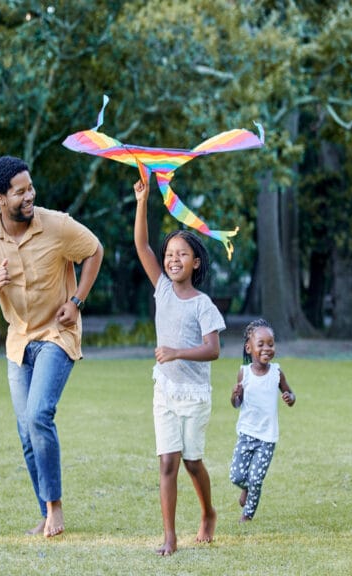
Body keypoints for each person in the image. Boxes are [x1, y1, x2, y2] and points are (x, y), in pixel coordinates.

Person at [0, 155, 104, 537]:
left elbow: (95, 251)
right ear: (0, 198)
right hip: (19, 341)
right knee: (26, 430)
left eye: (31, 188)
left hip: (57, 336)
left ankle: (55, 508)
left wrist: (76, 300)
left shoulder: (57, 225)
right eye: (20, 191)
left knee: (39, 415)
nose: (30, 195)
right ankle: (45, 511)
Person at [133, 178, 225, 556]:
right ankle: (169, 536)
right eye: (169, 253)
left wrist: (176, 352)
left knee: (191, 461)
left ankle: (208, 512)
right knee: (168, 461)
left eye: (182, 254)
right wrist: (142, 202)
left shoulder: (203, 304)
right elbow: (141, 245)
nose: (173, 259)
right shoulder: (162, 289)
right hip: (165, 391)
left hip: (194, 394)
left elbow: (213, 350)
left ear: (195, 262)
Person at [229, 318, 295, 523]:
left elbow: (290, 394)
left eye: (271, 344)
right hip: (246, 434)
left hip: (267, 437)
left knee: (256, 478)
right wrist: (235, 394)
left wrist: (289, 398)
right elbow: (236, 403)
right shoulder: (244, 373)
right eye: (261, 344)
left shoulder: (276, 372)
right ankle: (246, 489)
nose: (267, 348)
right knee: (236, 476)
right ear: (249, 348)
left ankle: (247, 515)